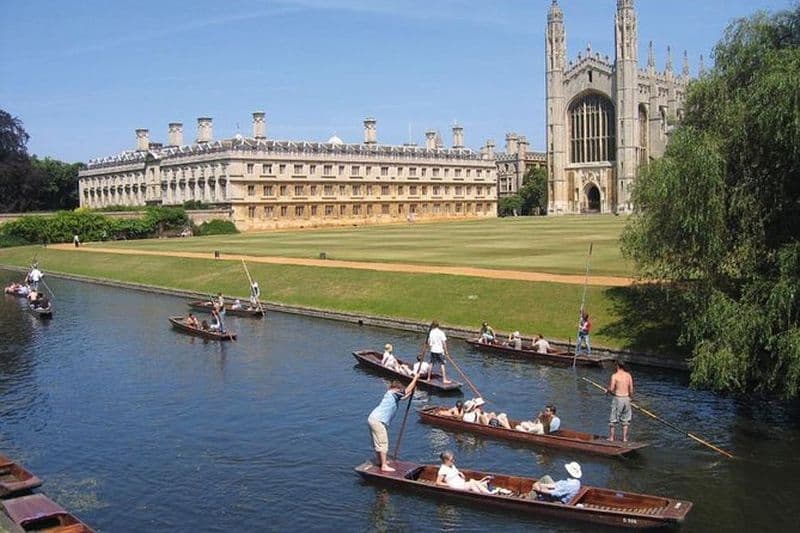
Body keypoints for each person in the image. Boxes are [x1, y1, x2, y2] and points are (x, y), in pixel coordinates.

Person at [367, 373, 421, 472]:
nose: (400, 390)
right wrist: (415, 378)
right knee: (383, 442)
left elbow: (404, 397)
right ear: (395, 388)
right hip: (378, 420)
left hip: (374, 419)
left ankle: (381, 461)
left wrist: (412, 392)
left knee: (378, 442)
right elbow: (405, 391)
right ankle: (384, 465)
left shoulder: (392, 394)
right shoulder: (392, 392)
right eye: (399, 388)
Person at [607, 360, 634, 442]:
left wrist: (607, 390)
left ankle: (611, 438)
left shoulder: (615, 376)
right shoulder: (628, 375)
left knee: (613, 418)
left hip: (618, 398)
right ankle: (624, 438)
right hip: (627, 398)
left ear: (617, 366)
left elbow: (611, 389)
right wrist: (630, 398)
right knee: (626, 419)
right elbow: (631, 389)